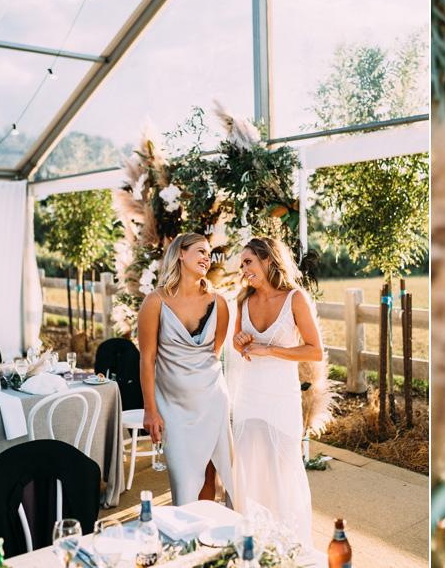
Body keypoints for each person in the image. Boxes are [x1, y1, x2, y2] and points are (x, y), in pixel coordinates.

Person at [231, 237, 323, 549]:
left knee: (284, 476)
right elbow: (237, 343)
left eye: (248, 262)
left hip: (281, 401)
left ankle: (288, 549)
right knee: (248, 472)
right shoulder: (243, 301)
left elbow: (316, 351)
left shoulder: (295, 299)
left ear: (268, 260)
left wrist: (270, 349)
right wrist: (242, 341)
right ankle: (252, 546)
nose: (243, 270)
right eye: (243, 264)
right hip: (247, 399)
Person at [138, 233, 234, 505]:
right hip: (173, 408)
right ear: (181, 253)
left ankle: (209, 541)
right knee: (183, 484)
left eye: (208, 252)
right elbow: (147, 359)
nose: (207, 257)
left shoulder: (219, 303)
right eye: (201, 251)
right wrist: (150, 409)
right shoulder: (155, 302)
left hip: (212, 401)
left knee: (210, 476)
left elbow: (214, 353)